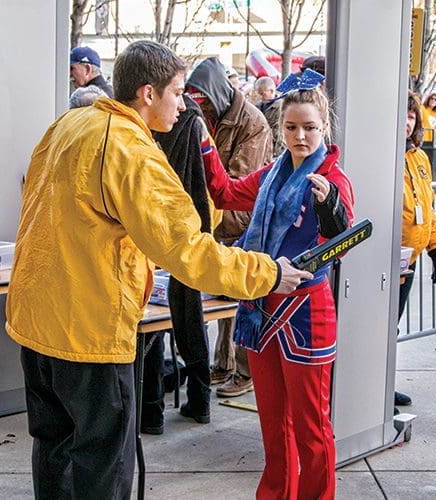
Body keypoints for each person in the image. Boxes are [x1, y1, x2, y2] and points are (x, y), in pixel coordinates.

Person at [5, 40, 310, 499]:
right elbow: (188, 250)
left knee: (54, 452)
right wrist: (265, 274)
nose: (185, 104)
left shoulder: (70, 124)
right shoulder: (131, 151)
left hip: (35, 324)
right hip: (89, 338)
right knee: (101, 466)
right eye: (178, 91)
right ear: (148, 93)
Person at [202, 70, 353, 500]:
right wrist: (203, 139)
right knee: (272, 425)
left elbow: (336, 246)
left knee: (311, 428)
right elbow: (224, 192)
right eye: (291, 127)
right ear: (279, 127)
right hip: (261, 307)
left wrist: (331, 210)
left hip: (306, 314)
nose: (300, 136)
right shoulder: (271, 176)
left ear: (324, 126)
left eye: (309, 127)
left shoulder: (333, 181)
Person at [186, 56, 274, 398]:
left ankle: (242, 369)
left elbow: (237, 185)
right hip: (214, 219)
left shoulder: (251, 122)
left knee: (240, 297)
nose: (202, 105)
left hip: (239, 222)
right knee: (223, 302)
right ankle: (222, 364)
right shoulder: (206, 116)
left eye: (205, 99)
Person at [139, 94, 224, 434]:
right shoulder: (195, 125)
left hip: (153, 231)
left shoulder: (144, 131)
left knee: (152, 320)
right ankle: (199, 399)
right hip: (190, 229)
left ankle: (151, 412)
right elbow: (213, 183)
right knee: (190, 315)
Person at [395, 93, 436, 408]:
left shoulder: (419, 158)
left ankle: (384, 381)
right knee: (379, 327)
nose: (406, 122)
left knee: (393, 327)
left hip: (408, 260)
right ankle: (373, 387)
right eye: (401, 115)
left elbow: (427, 207)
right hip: (385, 260)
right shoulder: (384, 157)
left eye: (411, 117)